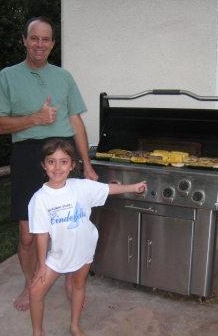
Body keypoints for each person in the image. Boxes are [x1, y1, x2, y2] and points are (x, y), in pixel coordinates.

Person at [0, 16, 98, 312]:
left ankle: (69, 279)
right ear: (24, 40)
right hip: (27, 155)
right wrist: (34, 119)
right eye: (34, 38)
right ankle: (30, 283)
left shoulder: (64, 77)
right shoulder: (7, 76)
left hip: (64, 152)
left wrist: (86, 165)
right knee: (28, 234)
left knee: (70, 226)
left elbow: (76, 121)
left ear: (52, 43)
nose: (40, 44)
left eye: (46, 39)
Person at [28, 139, 147, 336]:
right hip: (58, 255)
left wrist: (133, 187)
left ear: (73, 165)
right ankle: (37, 332)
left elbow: (108, 189)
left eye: (64, 161)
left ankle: (75, 326)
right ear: (43, 164)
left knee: (79, 285)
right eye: (51, 161)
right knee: (35, 292)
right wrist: (41, 265)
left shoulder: (81, 186)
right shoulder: (40, 199)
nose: (58, 167)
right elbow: (41, 234)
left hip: (84, 248)